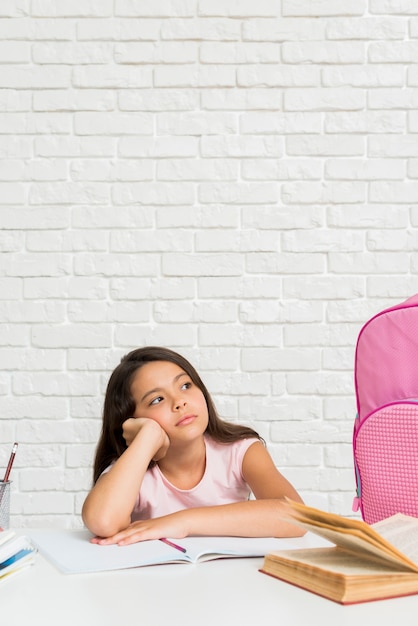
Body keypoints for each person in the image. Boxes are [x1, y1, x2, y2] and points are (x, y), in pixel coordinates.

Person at [82, 346, 304, 545]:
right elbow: (103, 522)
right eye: (157, 399)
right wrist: (147, 437)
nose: (180, 402)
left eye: (185, 385)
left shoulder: (240, 450)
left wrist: (181, 522)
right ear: (131, 421)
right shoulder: (132, 469)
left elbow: (299, 518)